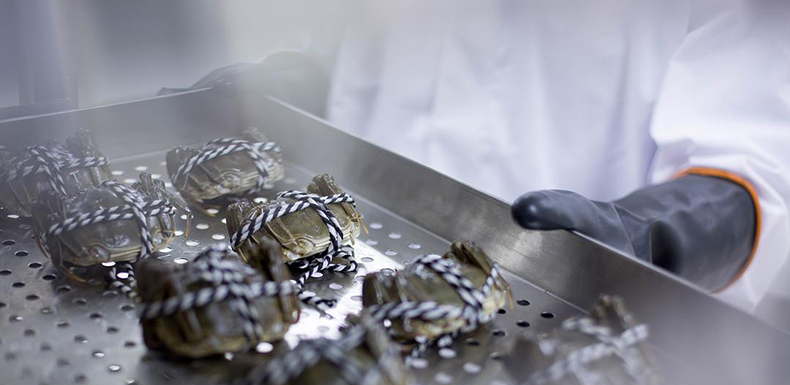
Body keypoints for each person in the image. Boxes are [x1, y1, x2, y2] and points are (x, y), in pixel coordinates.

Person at [183, 0, 790, 311]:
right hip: (347, 267)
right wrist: (304, 76)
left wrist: (661, 231)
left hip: (559, 305)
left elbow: (756, 152)